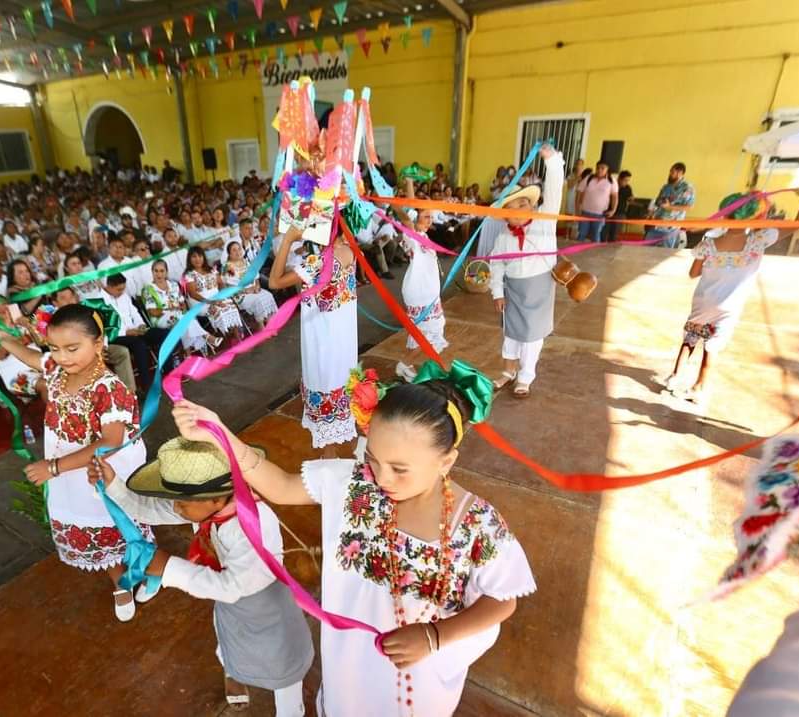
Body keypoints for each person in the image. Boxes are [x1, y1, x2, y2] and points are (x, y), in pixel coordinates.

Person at [169, 360, 535, 716]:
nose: (383, 477)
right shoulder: (352, 484)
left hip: (421, 680)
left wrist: (434, 636)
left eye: (400, 469)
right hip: (349, 667)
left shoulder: (475, 523)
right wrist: (219, 433)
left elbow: (502, 600)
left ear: (446, 461)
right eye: (373, 459)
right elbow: (280, 486)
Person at [89, 437, 314, 715]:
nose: (176, 508)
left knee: (285, 665)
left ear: (216, 498)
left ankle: (291, 709)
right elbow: (148, 509)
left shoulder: (252, 523)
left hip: (267, 607)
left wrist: (168, 567)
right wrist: (112, 483)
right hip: (228, 601)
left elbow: (235, 587)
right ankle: (233, 673)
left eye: (180, 502)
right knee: (228, 635)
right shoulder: (205, 506)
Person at [0, 304, 153, 621]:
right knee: (95, 529)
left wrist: (52, 468)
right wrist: (2, 337)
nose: (62, 357)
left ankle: (147, 572)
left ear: (98, 344)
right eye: (54, 347)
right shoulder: (56, 369)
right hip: (70, 472)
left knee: (121, 526)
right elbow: (31, 357)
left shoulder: (109, 389)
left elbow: (109, 441)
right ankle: (121, 585)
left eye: (72, 348)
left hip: (102, 469)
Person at [663, 190, 799, 404]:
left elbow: (693, 273)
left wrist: (715, 265)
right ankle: (698, 388)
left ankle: (675, 377)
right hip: (728, 306)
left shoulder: (708, 243)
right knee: (712, 347)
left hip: (703, 301)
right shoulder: (758, 241)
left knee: (690, 339)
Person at [269, 225, 358, 456]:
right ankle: (335, 448)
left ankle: (330, 455)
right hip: (342, 336)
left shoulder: (319, 262)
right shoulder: (349, 251)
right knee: (339, 380)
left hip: (324, 339)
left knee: (325, 381)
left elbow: (274, 282)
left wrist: (287, 241)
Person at [488, 143, 563, 398]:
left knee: (532, 337)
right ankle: (508, 371)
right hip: (514, 290)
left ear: (531, 205)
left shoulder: (545, 221)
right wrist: (497, 292)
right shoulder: (503, 237)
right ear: (505, 216)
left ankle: (525, 376)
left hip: (539, 289)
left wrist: (551, 161)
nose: (518, 210)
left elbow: (554, 190)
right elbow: (496, 264)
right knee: (511, 333)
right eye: (511, 207)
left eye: (522, 203)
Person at [394, 178, 448, 381]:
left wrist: (410, 185)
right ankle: (404, 364)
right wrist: (408, 185)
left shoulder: (423, 236)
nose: (430, 220)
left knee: (423, 333)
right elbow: (406, 213)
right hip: (420, 293)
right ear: (415, 218)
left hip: (428, 292)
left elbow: (412, 211)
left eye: (431, 216)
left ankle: (406, 364)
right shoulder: (412, 237)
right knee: (431, 334)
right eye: (426, 216)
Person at [102, 273, 172, 388]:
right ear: (109, 286)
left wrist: (141, 325)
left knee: (164, 334)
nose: (122, 292)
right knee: (139, 344)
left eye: (123, 289)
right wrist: (126, 332)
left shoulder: (124, 296)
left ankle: (169, 372)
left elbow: (135, 313)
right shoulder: (100, 301)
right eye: (119, 289)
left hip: (134, 331)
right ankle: (147, 385)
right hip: (116, 335)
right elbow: (105, 327)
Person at [140, 260, 219, 355]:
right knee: (181, 317)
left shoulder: (173, 285)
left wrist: (181, 308)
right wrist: (170, 310)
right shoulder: (148, 289)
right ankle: (206, 336)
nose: (159, 274)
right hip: (160, 318)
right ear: (152, 272)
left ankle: (188, 354)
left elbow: (183, 304)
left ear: (166, 272)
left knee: (183, 320)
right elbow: (152, 312)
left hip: (179, 316)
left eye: (162, 271)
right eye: (156, 271)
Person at [185, 246, 242, 341]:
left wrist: (221, 297)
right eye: (194, 256)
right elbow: (193, 294)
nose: (197, 259)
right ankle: (228, 337)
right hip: (201, 304)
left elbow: (221, 284)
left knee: (230, 306)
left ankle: (236, 335)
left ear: (203, 257)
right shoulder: (188, 275)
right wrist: (211, 302)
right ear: (189, 259)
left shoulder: (211, 270)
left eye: (200, 256)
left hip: (217, 299)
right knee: (219, 310)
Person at [222, 240, 278, 331]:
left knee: (268, 295)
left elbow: (255, 276)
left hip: (254, 289)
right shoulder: (228, 267)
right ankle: (261, 327)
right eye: (234, 250)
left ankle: (270, 323)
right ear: (229, 254)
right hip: (240, 295)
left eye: (239, 249)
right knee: (258, 300)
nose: (238, 252)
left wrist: (257, 286)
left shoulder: (245, 261)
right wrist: (247, 291)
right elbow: (231, 287)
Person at [646, 162, 696, 249]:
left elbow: (690, 207)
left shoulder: (687, 188)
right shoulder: (666, 187)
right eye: (670, 171)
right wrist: (651, 212)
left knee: (664, 253)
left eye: (672, 172)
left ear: (680, 173)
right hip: (656, 224)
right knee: (645, 248)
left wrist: (670, 207)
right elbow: (657, 202)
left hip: (670, 228)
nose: (670, 174)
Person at [575, 161, 618, 243]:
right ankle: (576, 253)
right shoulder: (589, 178)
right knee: (581, 234)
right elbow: (579, 192)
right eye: (598, 168)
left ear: (607, 170)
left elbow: (615, 197)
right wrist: (577, 209)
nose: (599, 170)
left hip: (600, 215)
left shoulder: (611, 181)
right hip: (585, 213)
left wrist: (613, 210)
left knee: (595, 236)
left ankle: (594, 254)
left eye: (602, 168)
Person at [605, 170, 633, 243]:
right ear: (619, 179)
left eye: (628, 180)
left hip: (620, 213)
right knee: (604, 233)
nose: (627, 182)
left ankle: (610, 251)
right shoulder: (612, 185)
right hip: (608, 212)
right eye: (625, 180)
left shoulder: (628, 188)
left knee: (614, 235)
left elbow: (630, 198)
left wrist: (631, 199)